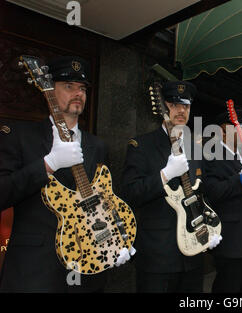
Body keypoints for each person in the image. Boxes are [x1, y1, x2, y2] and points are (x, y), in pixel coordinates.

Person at [0, 56, 116, 292]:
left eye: (82, 88)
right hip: (36, 269)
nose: (78, 93)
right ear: (49, 91)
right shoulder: (19, 136)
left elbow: (104, 198)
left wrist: (115, 237)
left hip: (88, 264)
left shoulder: (98, 145)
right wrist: (48, 164)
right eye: (68, 86)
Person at [121, 81, 214, 293]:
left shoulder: (196, 148)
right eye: (173, 104)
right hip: (157, 255)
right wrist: (164, 175)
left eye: (186, 105)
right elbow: (130, 193)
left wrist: (210, 224)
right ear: (163, 107)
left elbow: (203, 194)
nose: (181, 110)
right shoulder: (142, 145)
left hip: (193, 253)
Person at [202, 109, 242, 293]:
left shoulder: (241, 156)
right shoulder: (212, 154)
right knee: (229, 286)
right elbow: (213, 191)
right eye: (238, 127)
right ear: (223, 130)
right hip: (230, 238)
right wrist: (241, 177)